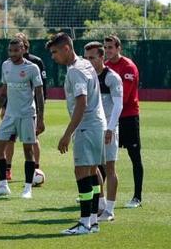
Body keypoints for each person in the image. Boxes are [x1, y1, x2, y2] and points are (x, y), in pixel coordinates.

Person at [46, 32, 107, 235]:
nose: (53, 56)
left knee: (81, 172)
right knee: (90, 171)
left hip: (87, 125)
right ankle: (92, 221)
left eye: (55, 52)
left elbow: (82, 102)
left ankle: (83, 223)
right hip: (97, 124)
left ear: (66, 48)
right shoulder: (85, 64)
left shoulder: (75, 71)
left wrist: (67, 134)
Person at [0, 37, 45, 199]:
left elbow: (39, 94)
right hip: (10, 115)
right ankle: (3, 186)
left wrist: (40, 118)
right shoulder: (6, 65)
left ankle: (27, 188)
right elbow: (4, 90)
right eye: (10, 51)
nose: (13, 53)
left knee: (28, 150)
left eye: (16, 50)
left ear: (23, 50)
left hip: (27, 114)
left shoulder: (32, 68)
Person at [84, 42, 123, 222]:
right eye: (86, 58)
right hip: (94, 127)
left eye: (92, 57)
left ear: (101, 57)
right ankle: (100, 203)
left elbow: (118, 105)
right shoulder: (88, 76)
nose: (88, 61)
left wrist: (110, 128)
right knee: (93, 166)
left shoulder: (112, 77)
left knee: (110, 168)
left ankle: (110, 209)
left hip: (108, 128)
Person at [103, 34, 143, 208]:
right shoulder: (105, 67)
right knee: (104, 157)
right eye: (105, 48)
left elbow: (123, 98)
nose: (107, 51)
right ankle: (99, 194)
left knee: (135, 157)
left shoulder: (128, 67)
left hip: (128, 118)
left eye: (110, 47)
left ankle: (137, 197)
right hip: (110, 118)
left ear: (119, 48)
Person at [1, 33, 47, 180]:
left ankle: (35, 169)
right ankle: (7, 169)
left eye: (18, 46)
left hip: (28, 110)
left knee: (32, 141)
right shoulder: (7, 64)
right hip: (12, 109)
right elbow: (6, 87)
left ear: (24, 47)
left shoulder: (35, 63)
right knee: (9, 140)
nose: (14, 51)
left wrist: (40, 112)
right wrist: (3, 107)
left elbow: (41, 88)